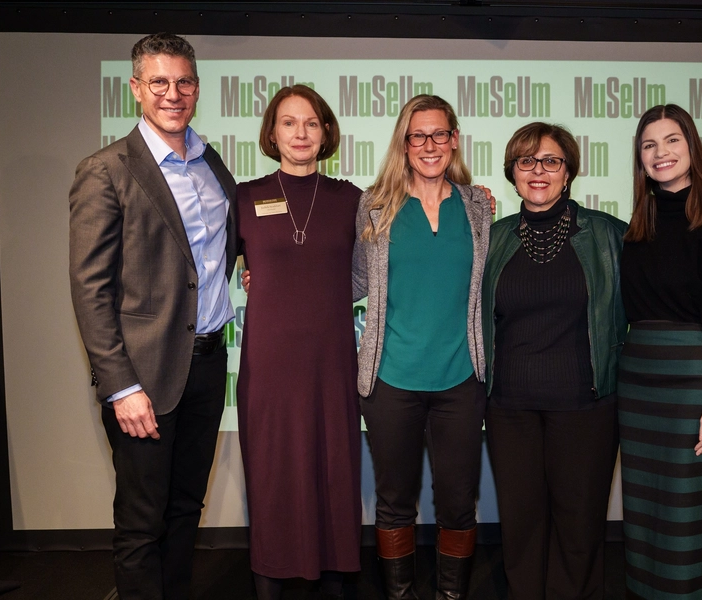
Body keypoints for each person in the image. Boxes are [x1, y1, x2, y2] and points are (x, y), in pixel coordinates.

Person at [68, 33, 237, 600]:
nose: (173, 93)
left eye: (184, 81)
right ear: (136, 88)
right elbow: (90, 289)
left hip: (208, 367)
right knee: (142, 522)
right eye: (159, 82)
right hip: (143, 379)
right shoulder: (105, 170)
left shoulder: (213, 165)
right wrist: (120, 387)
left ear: (196, 88)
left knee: (187, 506)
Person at [352, 94, 491, 600]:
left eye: (440, 134)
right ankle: (401, 595)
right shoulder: (374, 206)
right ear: (404, 143)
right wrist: (276, 276)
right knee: (394, 503)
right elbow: (347, 281)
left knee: (458, 502)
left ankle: (451, 595)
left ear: (454, 139)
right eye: (418, 135)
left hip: (461, 382)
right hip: (390, 381)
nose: (429, 145)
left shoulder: (479, 206)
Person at [481, 122, 626, 600]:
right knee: (521, 526)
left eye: (550, 161)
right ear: (512, 172)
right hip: (509, 408)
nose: (538, 171)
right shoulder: (493, 239)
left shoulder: (607, 235)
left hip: (585, 406)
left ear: (568, 173)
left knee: (579, 528)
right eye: (527, 161)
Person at [235, 85, 362, 599]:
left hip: (331, 362)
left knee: (333, 468)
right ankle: (273, 572)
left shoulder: (352, 199)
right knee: (272, 470)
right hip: (268, 364)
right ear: (272, 133)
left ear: (327, 132)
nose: (301, 133)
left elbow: (377, 268)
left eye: (311, 123)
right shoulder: (244, 196)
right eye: (289, 123)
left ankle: (333, 574)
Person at [618, 104, 702, 600]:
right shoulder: (637, 226)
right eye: (649, 144)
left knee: (684, 503)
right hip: (638, 379)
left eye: (672, 140)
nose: (661, 153)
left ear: (691, 147)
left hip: (690, 380)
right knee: (644, 502)